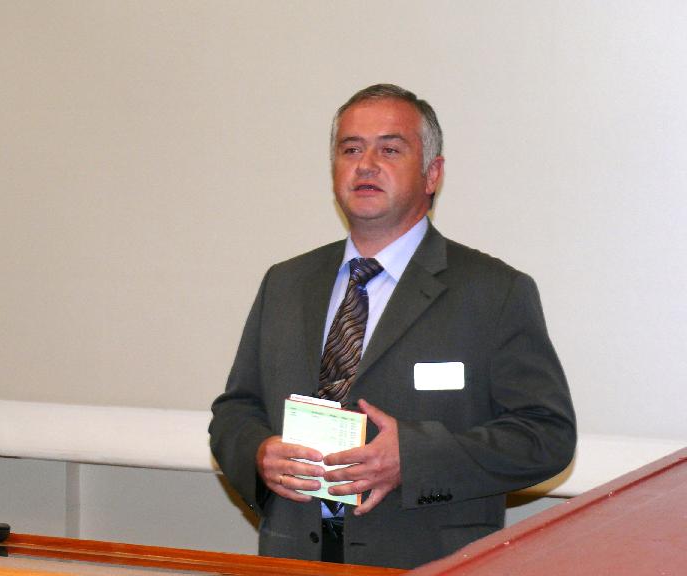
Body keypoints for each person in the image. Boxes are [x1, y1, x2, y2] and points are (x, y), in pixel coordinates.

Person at [209, 84, 576, 569]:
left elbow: (546, 436)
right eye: (351, 149)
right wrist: (258, 454)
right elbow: (235, 411)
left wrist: (415, 459)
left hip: (426, 562)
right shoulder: (286, 283)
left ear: (432, 174)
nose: (366, 165)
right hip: (294, 557)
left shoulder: (494, 292)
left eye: (390, 149)